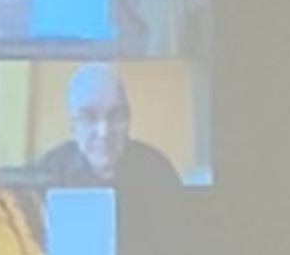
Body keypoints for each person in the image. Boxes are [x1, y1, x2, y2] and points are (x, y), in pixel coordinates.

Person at [35, 62, 186, 199]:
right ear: (72, 126)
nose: (104, 132)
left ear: (129, 119)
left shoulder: (156, 169)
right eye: (89, 117)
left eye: (115, 116)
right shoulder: (49, 171)